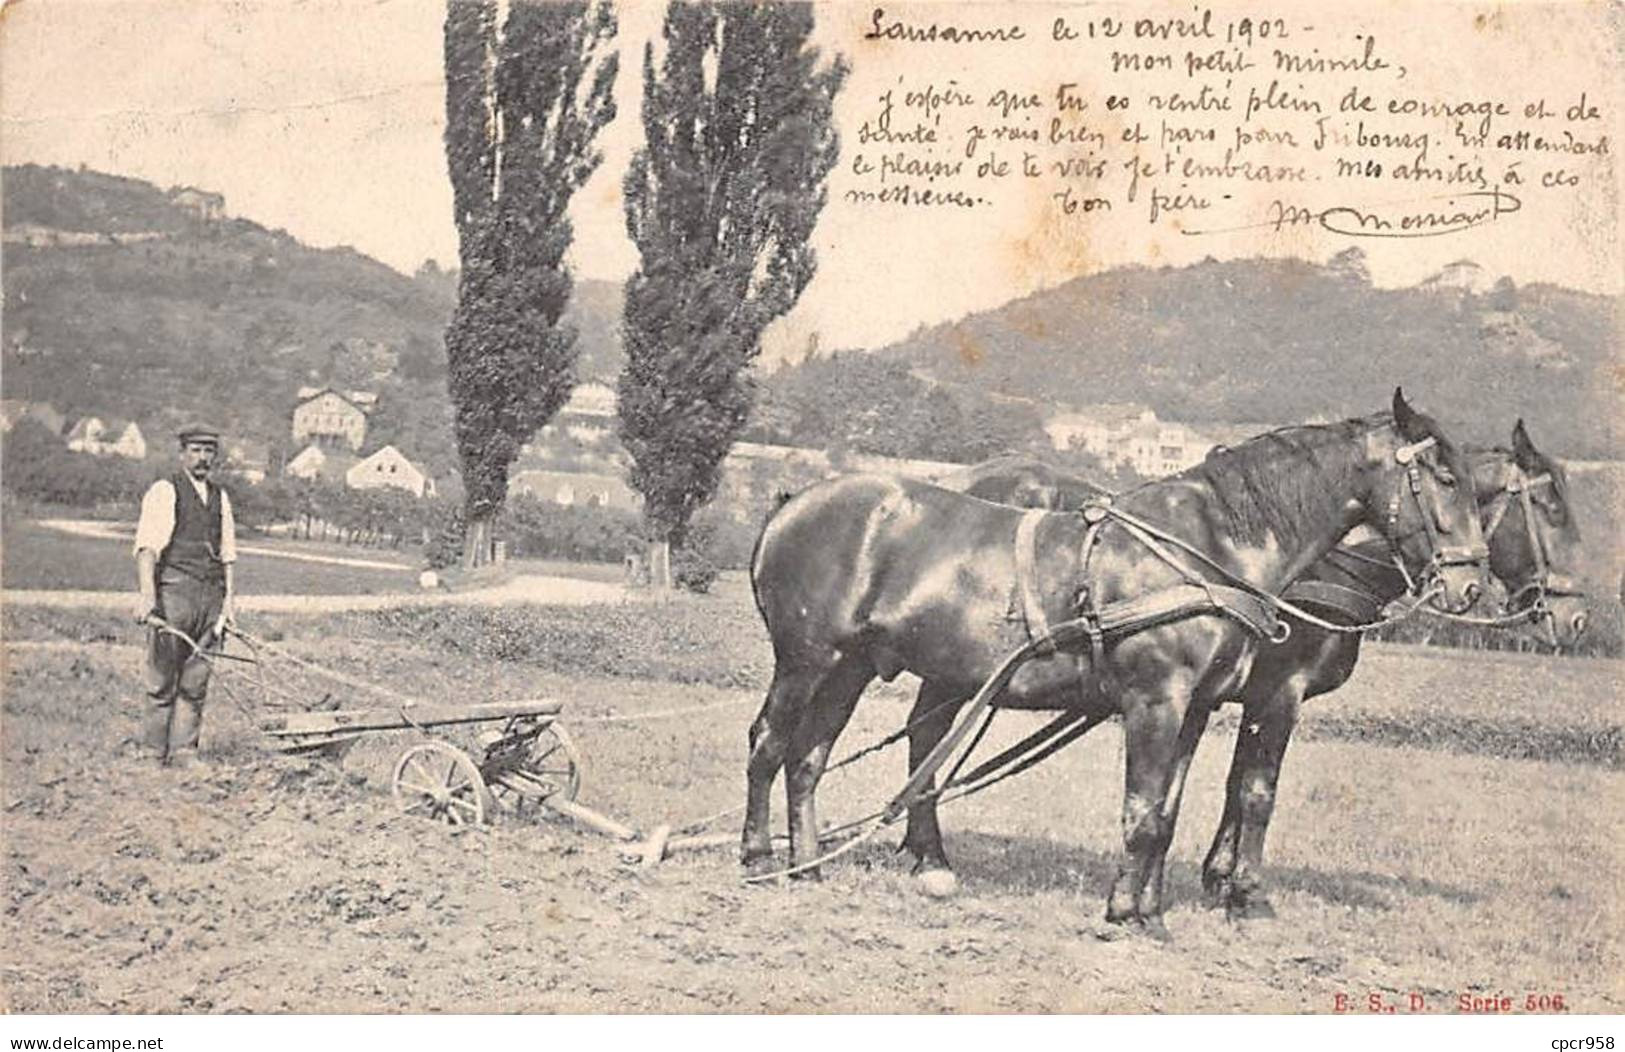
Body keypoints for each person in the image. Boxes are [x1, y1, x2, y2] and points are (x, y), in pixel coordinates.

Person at [133, 422, 238, 766]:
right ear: (182, 454)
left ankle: (183, 752)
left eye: (209, 451)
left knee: (196, 682)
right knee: (162, 678)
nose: (202, 458)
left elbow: (228, 555)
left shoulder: (221, 497)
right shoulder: (165, 491)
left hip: (210, 600)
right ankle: (151, 751)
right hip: (174, 594)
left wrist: (229, 603)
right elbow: (148, 548)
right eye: (196, 450)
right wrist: (148, 597)